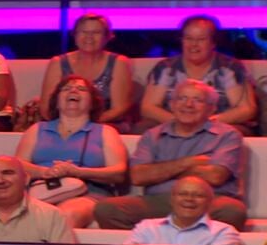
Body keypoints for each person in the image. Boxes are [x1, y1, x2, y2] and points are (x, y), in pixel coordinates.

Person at [95, 79, 246, 231]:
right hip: (159, 200)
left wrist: (160, 170)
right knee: (107, 210)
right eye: (182, 98)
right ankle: (151, 243)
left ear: (211, 108)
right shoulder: (152, 135)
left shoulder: (228, 135)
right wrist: (187, 163)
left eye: (198, 100)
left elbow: (215, 176)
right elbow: (138, 176)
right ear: (172, 105)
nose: (188, 104)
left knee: (231, 211)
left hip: (208, 200)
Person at [16, 74, 128, 228]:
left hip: (88, 194)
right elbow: (18, 165)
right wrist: (46, 172)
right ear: (56, 102)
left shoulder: (105, 132)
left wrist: (77, 172)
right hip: (42, 190)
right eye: (66, 89)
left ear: (92, 103)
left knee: (66, 215)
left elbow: (118, 172)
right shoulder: (37, 129)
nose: (73, 91)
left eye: (81, 89)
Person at [141, 14, 257, 135]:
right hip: (173, 125)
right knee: (144, 128)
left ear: (213, 43)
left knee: (235, 132)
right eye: (188, 38)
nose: (194, 44)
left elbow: (246, 109)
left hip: (217, 126)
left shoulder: (230, 67)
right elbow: (148, 107)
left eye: (201, 39)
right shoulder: (166, 68)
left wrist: (206, 124)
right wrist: (181, 122)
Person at [114, 177, 241, 245]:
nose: (189, 199)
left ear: (209, 202)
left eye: (198, 195)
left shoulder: (224, 231)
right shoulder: (146, 226)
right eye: (182, 194)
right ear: (172, 199)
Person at [40, 14, 133, 132]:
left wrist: (84, 124)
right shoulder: (58, 62)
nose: (89, 37)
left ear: (107, 37)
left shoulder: (119, 62)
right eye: (84, 32)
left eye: (96, 32)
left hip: (106, 124)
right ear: (75, 35)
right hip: (63, 124)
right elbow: (46, 108)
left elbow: (120, 108)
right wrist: (68, 124)